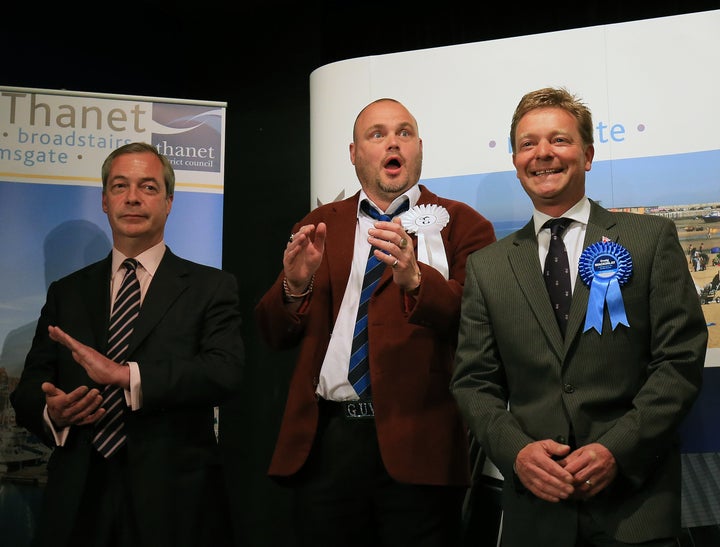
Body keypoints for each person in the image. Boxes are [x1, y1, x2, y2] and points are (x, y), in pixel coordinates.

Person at [450, 86, 707, 547]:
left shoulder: (650, 240)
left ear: (587, 155)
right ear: (515, 160)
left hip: (635, 508)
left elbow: (680, 361)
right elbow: (474, 382)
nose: (543, 153)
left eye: (559, 140)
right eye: (528, 143)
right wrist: (518, 452)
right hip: (536, 512)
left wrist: (617, 448)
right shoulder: (488, 267)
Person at [255, 97, 496, 547]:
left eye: (404, 133)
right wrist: (294, 285)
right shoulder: (319, 224)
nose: (393, 143)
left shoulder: (463, 224)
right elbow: (272, 333)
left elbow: (477, 326)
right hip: (327, 444)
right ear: (353, 153)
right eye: (378, 134)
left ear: (419, 148)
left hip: (419, 443)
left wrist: (416, 281)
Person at [10, 142, 245, 547]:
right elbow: (29, 387)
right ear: (104, 201)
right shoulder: (67, 293)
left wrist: (127, 376)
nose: (133, 197)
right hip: (79, 497)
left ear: (169, 202)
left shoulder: (211, 287)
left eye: (149, 187)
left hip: (174, 501)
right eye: (120, 186)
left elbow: (224, 372)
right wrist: (52, 411)